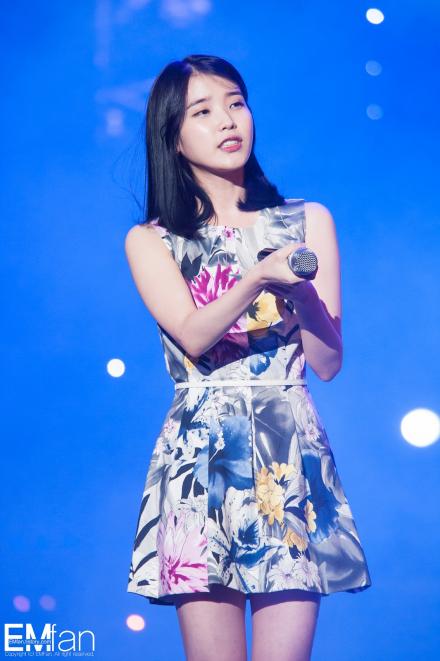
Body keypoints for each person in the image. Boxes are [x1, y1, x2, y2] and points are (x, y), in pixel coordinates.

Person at [124, 54, 372, 661]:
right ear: (173, 138)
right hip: (200, 455)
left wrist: (302, 295)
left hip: (288, 449)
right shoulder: (152, 240)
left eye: (236, 103)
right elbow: (194, 335)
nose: (227, 121)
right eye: (203, 112)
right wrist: (258, 278)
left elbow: (328, 362)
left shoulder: (307, 221)